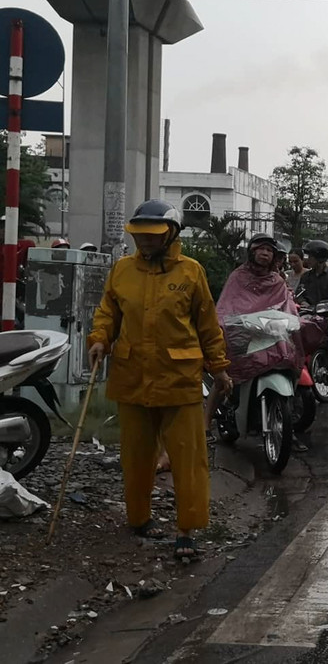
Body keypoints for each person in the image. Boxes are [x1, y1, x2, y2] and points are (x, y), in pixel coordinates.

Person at [87, 199, 232, 561]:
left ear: (171, 234)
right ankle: (138, 518)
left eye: (153, 236)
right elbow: (108, 311)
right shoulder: (121, 270)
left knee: (187, 458)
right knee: (135, 456)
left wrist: (219, 367)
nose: (145, 242)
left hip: (178, 379)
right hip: (131, 376)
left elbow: (207, 325)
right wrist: (100, 339)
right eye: (140, 236)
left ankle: (187, 529)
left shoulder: (191, 272)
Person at [204, 233, 304, 439]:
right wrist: (228, 324)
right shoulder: (238, 277)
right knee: (224, 378)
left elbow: (286, 308)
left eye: (269, 250)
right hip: (243, 337)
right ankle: (205, 424)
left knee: (292, 367)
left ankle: (287, 420)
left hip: (271, 337)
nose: (265, 253)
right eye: (261, 249)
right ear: (252, 251)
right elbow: (226, 307)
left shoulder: (276, 280)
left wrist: (294, 321)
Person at [297, 240, 328, 306]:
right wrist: (303, 302)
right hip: (307, 313)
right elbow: (299, 294)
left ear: (320, 258)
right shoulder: (305, 276)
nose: (308, 259)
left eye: (310, 257)